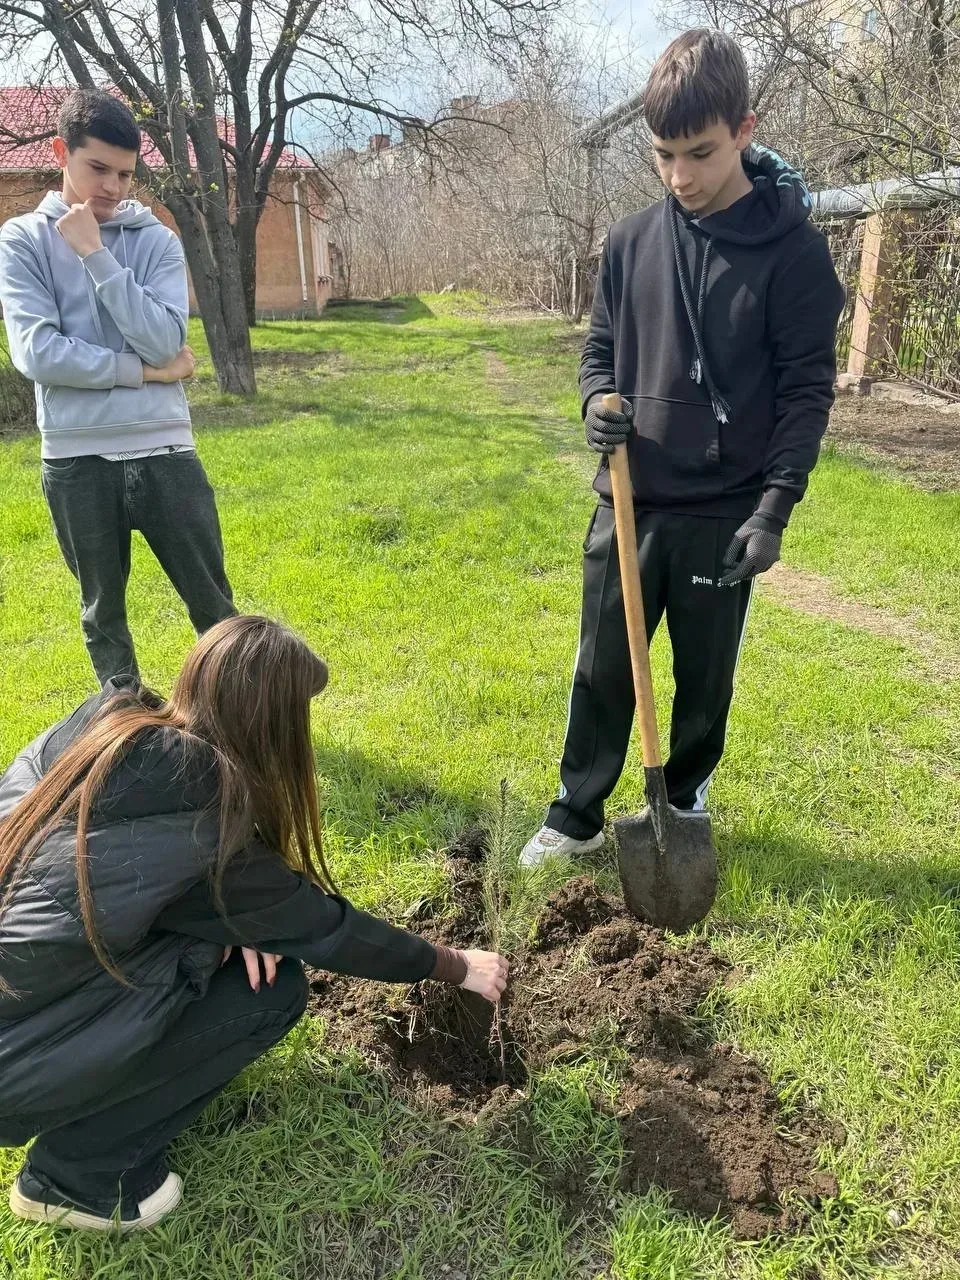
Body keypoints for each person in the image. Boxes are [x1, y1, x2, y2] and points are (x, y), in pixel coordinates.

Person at [0, 615, 508, 1232]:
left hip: (19, 1010)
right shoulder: (206, 829)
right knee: (272, 991)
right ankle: (77, 1175)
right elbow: (329, 930)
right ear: (271, 727)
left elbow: (101, 894)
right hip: (11, 1057)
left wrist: (223, 926)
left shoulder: (100, 730)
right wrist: (455, 966)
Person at [521, 29, 844, 866]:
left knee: (705, 676)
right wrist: (597, 399)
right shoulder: (631, 242)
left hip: (725, 507)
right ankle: (576, 816)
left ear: (746, 128)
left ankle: (685, 795)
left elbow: (808, 393)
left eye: (699, 153)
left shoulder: (796, 258)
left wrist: (773, 512)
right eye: (663, 154)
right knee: (602, 664)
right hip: (631, 494)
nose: (679, 177)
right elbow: (599, 348)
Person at [0, 88, 235, 687]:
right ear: (62, 152)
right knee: (104, 617)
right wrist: (145, 373)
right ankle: (124, 736)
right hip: (77, 460)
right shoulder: (22, 240)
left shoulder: (155, 238)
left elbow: (163, 337)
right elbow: (38, 353)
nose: (111, 186)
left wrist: (96, 256)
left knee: (214, 608)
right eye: (97, 168)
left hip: (167, 452)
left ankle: (242, 721)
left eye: (125, 173)